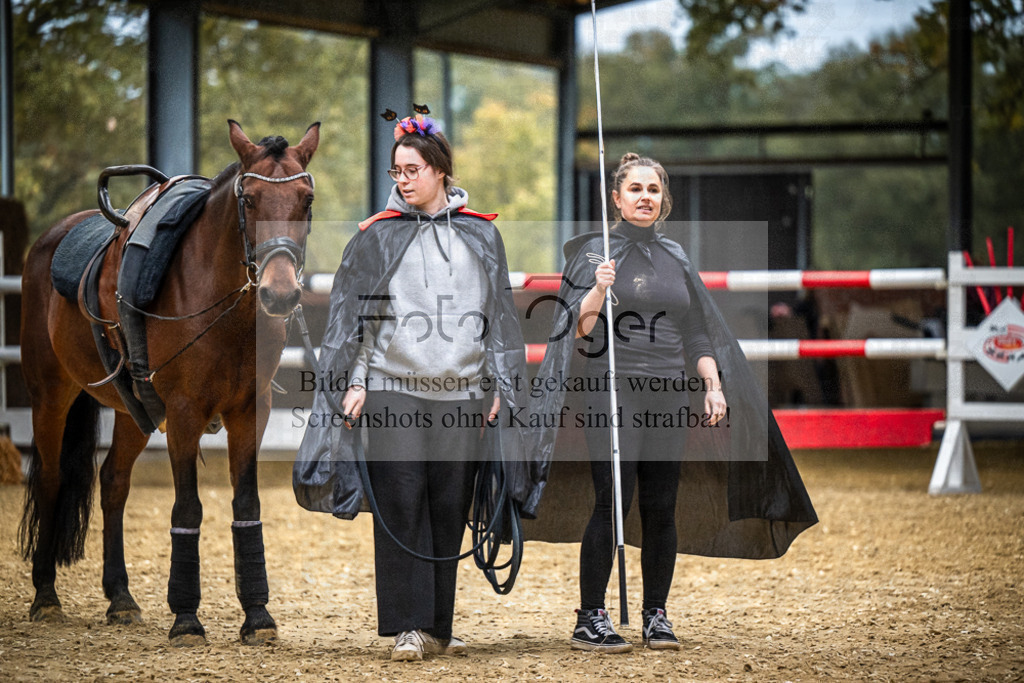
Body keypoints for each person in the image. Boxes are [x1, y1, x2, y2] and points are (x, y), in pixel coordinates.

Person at [523, 152, 818, 653]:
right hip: (611, 390)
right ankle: (590, 617)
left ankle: (655, 614)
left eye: (653, 190)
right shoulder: (595, 255)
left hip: (667, 393)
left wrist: (713, 384)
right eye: (635, 189)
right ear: (616, 199)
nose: (645, 197)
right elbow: (578, 329)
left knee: (662, 505)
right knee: (613, 501)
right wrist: (597, 290)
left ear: (664, 200)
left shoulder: (675, 256)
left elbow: (697, 330)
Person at [292, 110, 533, 661]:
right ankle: (408, 625)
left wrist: (500, 384)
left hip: (464, 393)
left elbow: (498, 318)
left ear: (439, 170)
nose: (402, 180)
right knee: (401, 502)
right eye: (396, 171)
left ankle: (438, 628)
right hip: (392, 388)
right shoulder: (377, 236)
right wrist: (356, 381)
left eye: (412, 170)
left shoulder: (482, 233)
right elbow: (358, 319)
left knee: (450, 506)